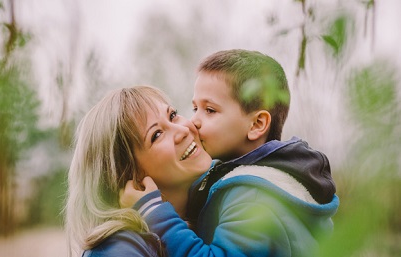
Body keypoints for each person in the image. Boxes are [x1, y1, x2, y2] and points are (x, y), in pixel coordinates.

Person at [120, 49, 340, 256]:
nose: (193, 121)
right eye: (195, 108)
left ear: (256, 125)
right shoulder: (250, 181)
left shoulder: (252, 198)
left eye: (210, 110)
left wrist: (156, 214)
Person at [65, 85, 213, 257]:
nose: (183, 130)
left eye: (172, 115)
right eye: (156, 135)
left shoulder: (217, 210)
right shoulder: (119, 251)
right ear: (130, 175)